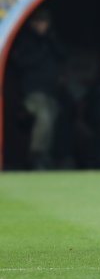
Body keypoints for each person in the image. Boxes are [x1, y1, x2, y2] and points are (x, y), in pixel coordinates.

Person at [9, 9, 64, 170]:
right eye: (39, 22)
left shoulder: (51, 40)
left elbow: (63, 55)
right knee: (44, 116)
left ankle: (45, 156)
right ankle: (36, 156)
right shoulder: (26, 40)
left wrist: (49, 41)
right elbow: (19, 62)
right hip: (32, 92)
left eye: (45, 22)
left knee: (52, 120)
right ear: (32, 23)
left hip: (51, 92)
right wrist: (42, 50)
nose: (42, 25)